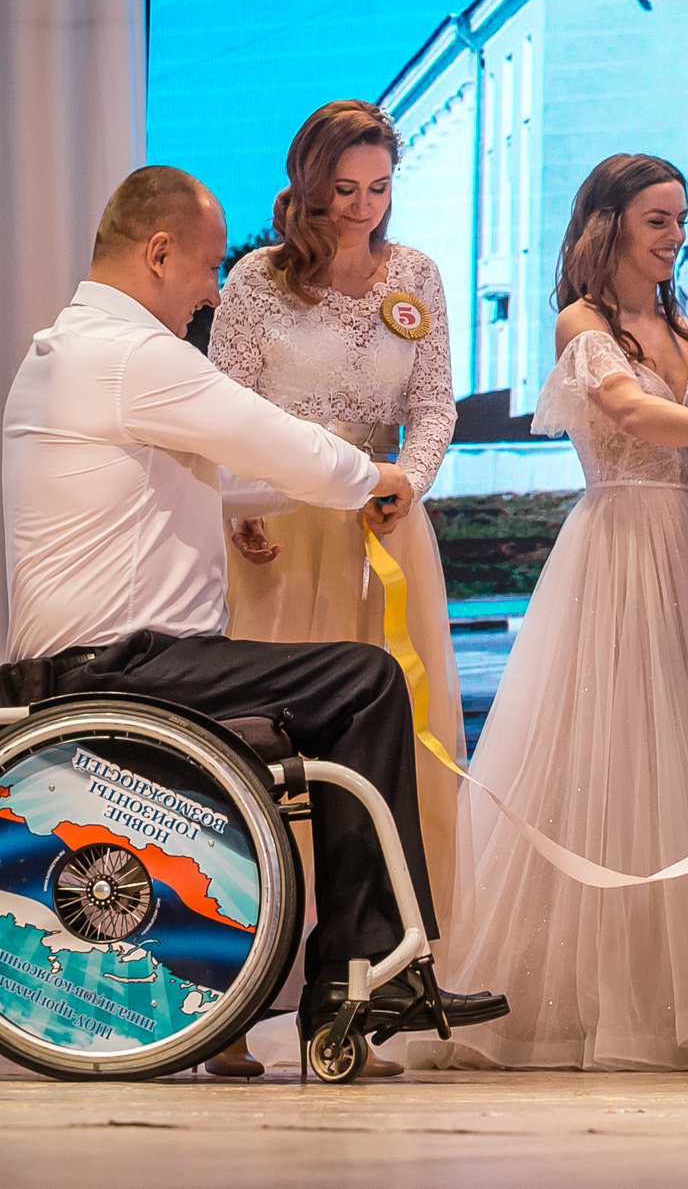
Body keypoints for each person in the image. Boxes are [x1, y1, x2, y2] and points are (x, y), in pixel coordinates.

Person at [1, 167, 505, 1069]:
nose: (210, 288)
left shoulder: (73, 350)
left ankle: (338, 970)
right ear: (158, 253)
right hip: (121, 668)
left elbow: (237, 476)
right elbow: (268, 435)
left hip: (103, 661)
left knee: (336, 682)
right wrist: (372, 478)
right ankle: (355, 970)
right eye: (201, 267)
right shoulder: (133, 355)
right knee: (364, 679)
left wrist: (342, 490)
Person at [417, 154, 688, 1070]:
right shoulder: (582, 321)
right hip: (615, 545)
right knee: (607, 755)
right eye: (658, 220)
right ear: (610, 225)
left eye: (681, 218)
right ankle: (584, 995)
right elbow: (634, 417)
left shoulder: (687, 326)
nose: (677, 235)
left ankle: (680, 984)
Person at [208, 103, 467, 1069]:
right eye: (344, 189)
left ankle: (360, 989)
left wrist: (413, 479)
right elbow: (222, 407)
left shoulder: (418, 276)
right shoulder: (256, 279)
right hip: (278, 528)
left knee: (393, 752)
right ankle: (231, 1004)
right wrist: (239, 505)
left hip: (383, 526)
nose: (362, 208)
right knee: (268, 760)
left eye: (380, 187)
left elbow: (434, 402)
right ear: (310, 184)